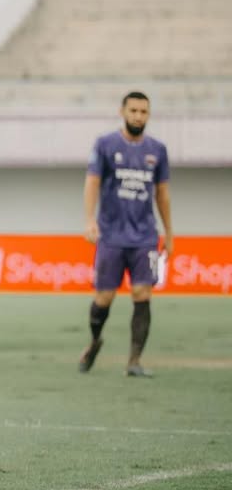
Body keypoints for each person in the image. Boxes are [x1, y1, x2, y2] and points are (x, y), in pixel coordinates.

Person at [80, 91, 172, 378]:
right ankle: (95, 340)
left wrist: (169, 232)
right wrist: (89, 220)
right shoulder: (106, 145)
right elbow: (92, 182)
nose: (138, 116)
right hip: (111, 236)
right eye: (133, 110)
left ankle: (134, 361)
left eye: (143, 112)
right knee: (104, 297)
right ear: (122, 112)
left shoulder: (158, 150)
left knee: (142, 293)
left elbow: (162, 194)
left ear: (148, 115)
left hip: (145, 236)